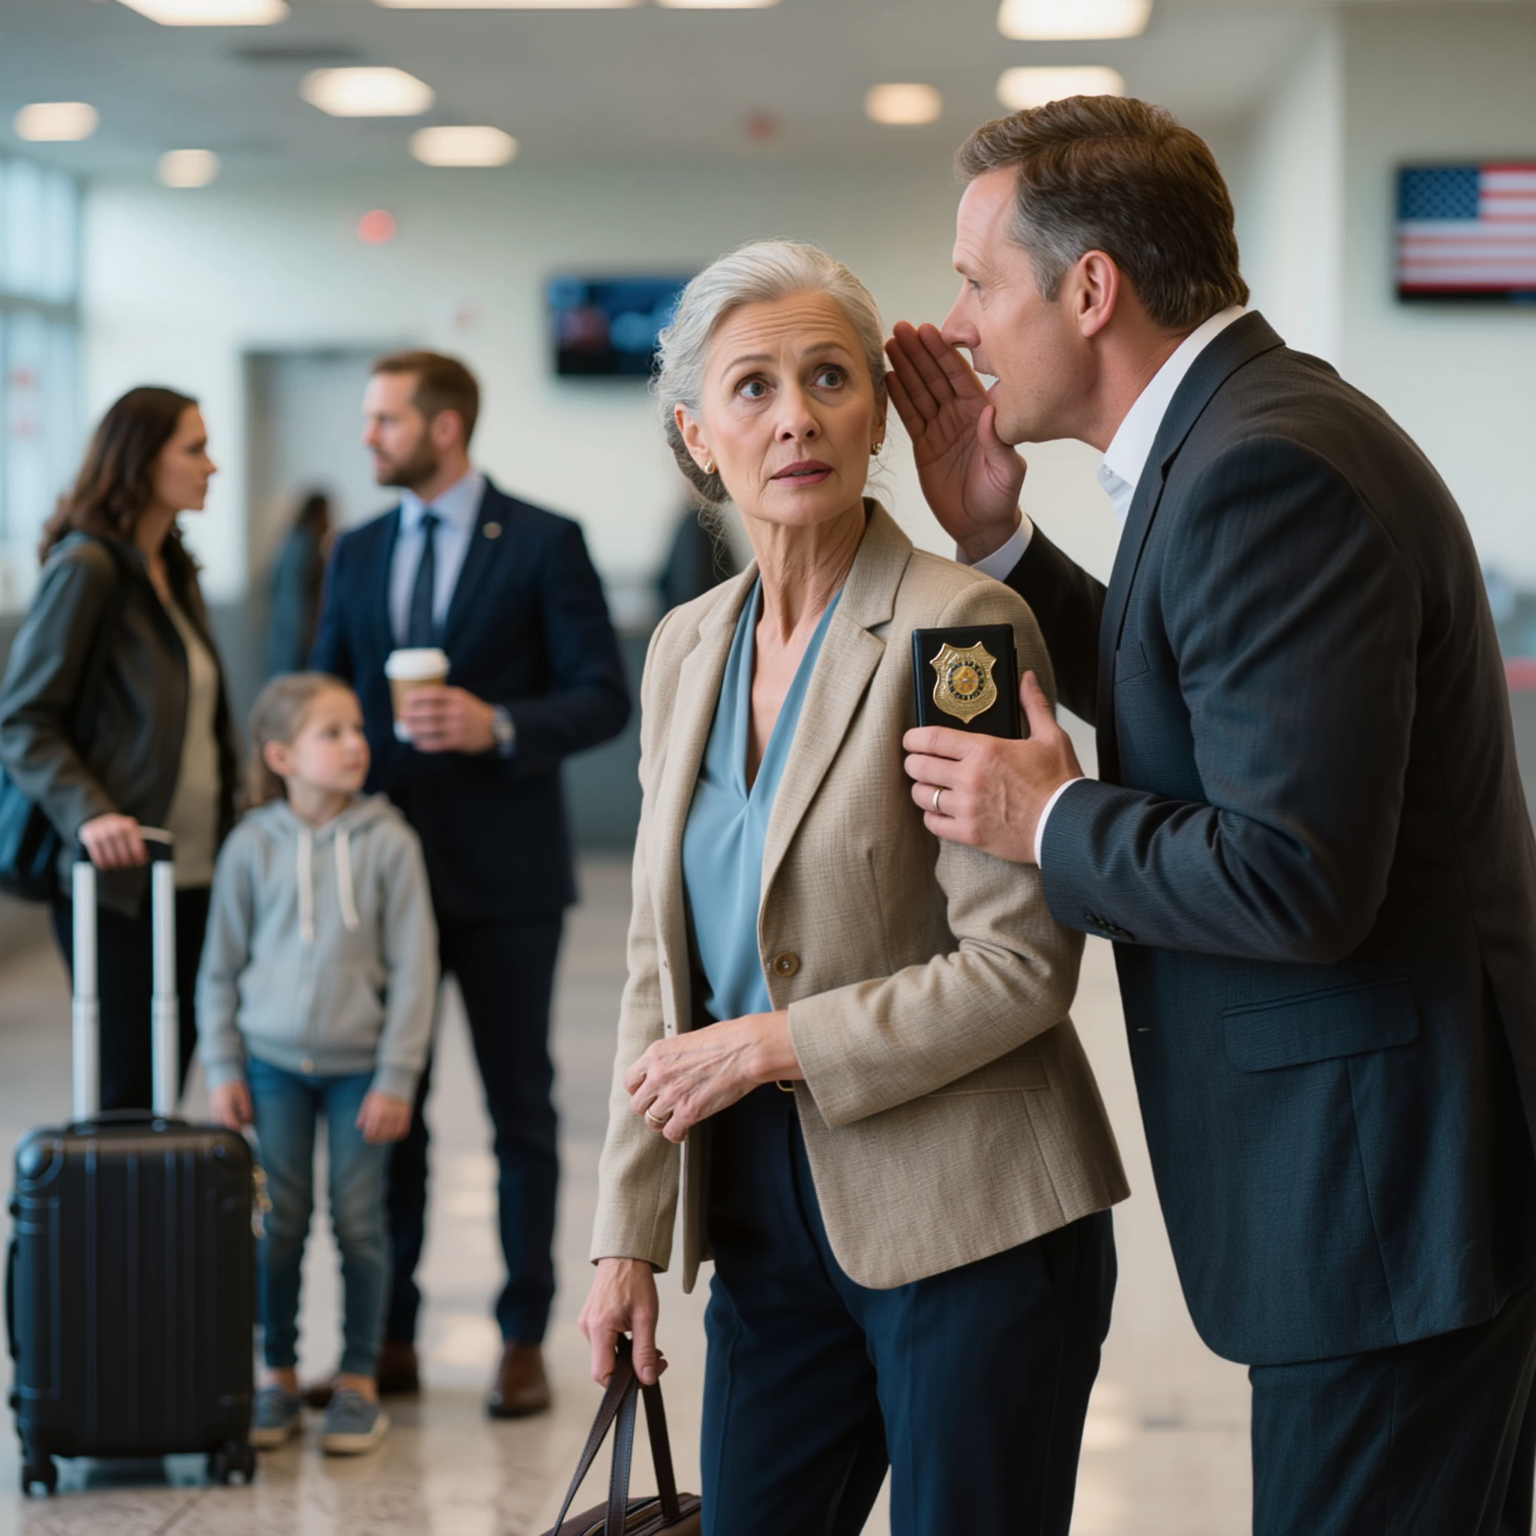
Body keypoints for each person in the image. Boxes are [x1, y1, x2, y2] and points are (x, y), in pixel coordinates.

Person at [890, 96, 1536, 1535]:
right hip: (1389, 1184)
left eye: (980, 283)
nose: (964, 325)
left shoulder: (1263, 470)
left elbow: (1296, 875)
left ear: (1092, 286)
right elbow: (1212, 690)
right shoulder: (1249, 434)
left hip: (1379, 1199)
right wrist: (998, 541)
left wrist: (1049, 821)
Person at [580, 240, 1127, 1536]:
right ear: (696, 433)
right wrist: (629, 1232)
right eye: (753, 387)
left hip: (975, 1212)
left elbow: (1021, 967)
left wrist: (774, 1043)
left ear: (878, 413)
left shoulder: (960, 634)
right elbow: (660, 970)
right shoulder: (683, 650)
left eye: (830, 378)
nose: (796, 418)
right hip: (766, 1215)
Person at [310, 350, 630, 1416]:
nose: (367, 437)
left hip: (507, 880)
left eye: (384, 417)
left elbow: (601, 698)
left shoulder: (543, 540)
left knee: (517, 1112)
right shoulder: (354, 554)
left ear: (444, 428)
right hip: (382, 880)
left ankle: (521, 1335)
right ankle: (386, 1334)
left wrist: (498, 725)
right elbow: (325, 695)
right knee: (387, 1105)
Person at [197, 672, 438, 1458]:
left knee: (360, 1222)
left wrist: (397, 1076)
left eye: (358, 730)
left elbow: (414, 970)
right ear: (281, 756)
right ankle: (277, 1375)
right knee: (278, 1225)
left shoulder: (390, 842)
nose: (355, 745)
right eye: (331, 733)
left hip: (361, 1074)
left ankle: (359, 1380)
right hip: (270, 1070)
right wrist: (225, 1066)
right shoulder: (249, 847)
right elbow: (219, 969)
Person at [0, 386, 239, 1111]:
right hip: (120, 879)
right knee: (128, 1089)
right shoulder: (90, 569)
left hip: (195, 868)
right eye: (194, 449)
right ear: (140, 460)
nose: (212, 466)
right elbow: (23, 720)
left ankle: (146, 1227)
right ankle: (94, 1227)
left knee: (167, 1081)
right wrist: (89, 812)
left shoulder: (170, 568)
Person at [267, 488, 333, 677]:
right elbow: (292, 600)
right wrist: (306, 645)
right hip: (295, 647)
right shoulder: (303, 546)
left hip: (288, 643)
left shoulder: (294, 542)